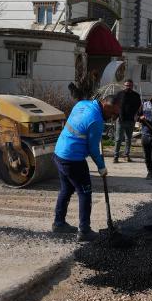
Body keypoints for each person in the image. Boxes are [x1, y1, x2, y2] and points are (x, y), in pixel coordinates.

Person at [53, 94, 122, 242]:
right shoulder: (96, 120)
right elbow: (93, 149)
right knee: (85, 192)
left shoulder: (82, 104)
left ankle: (58, 223)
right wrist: (102, 167)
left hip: (60, 152)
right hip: (73, 159)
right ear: (106, 105)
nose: (113, 117)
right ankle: (84, 231)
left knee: (66, 189)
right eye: (112, 113)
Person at [113, 79, 141, 163]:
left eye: (130, 85)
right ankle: (115, 156)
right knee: (118, 139)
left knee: (128, 139)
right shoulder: (119, 94)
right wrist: (115, 115)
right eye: (126, 85)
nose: (128, 87)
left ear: (132, 86)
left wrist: (137, 116)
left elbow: (139, 107)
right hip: (120, 120)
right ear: (124, 86)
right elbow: (114, 105)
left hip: (131, 120)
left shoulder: (136, 95)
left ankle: (126, 155)